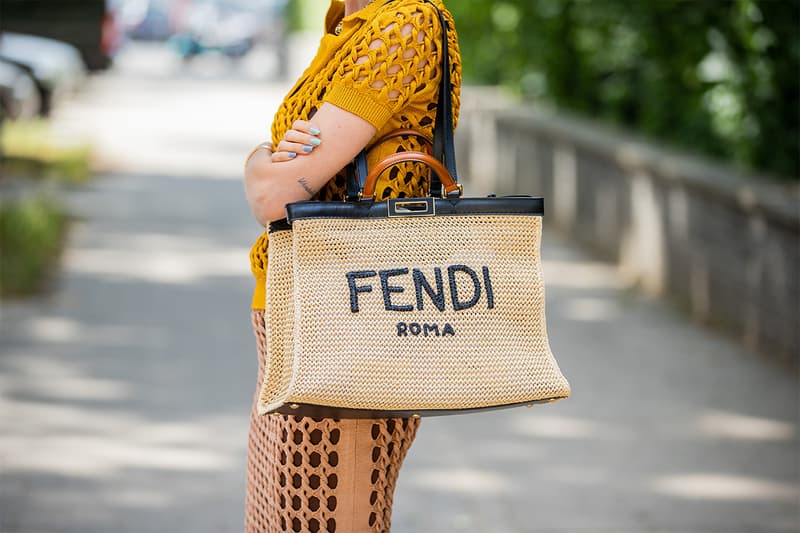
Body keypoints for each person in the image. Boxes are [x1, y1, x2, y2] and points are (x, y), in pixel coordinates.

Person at [242, 0, 461, 531]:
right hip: (294, 316)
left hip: (354, 323)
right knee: (276, 517)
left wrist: (258, 164)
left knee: (326, 517)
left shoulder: (403, 24)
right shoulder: (344, 22)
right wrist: (265, 160)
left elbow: (274, 195)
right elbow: (280, 172)